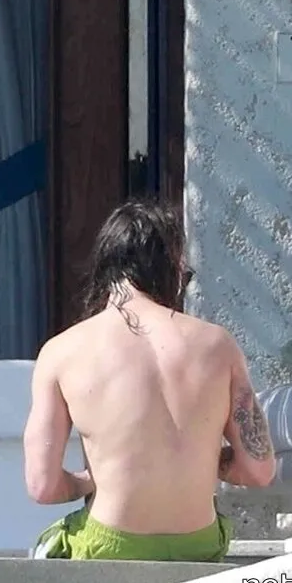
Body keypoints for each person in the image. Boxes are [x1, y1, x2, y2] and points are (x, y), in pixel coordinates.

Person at [23, 197, 276, 561]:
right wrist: (204, 456)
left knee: (48, 547)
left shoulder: (61, 351)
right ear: (170, 268)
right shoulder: (218, 344)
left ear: (105, 268)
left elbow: (42, 486)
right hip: (198, 545)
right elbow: (258, 470)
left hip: (110, 546)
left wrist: (89, 478)